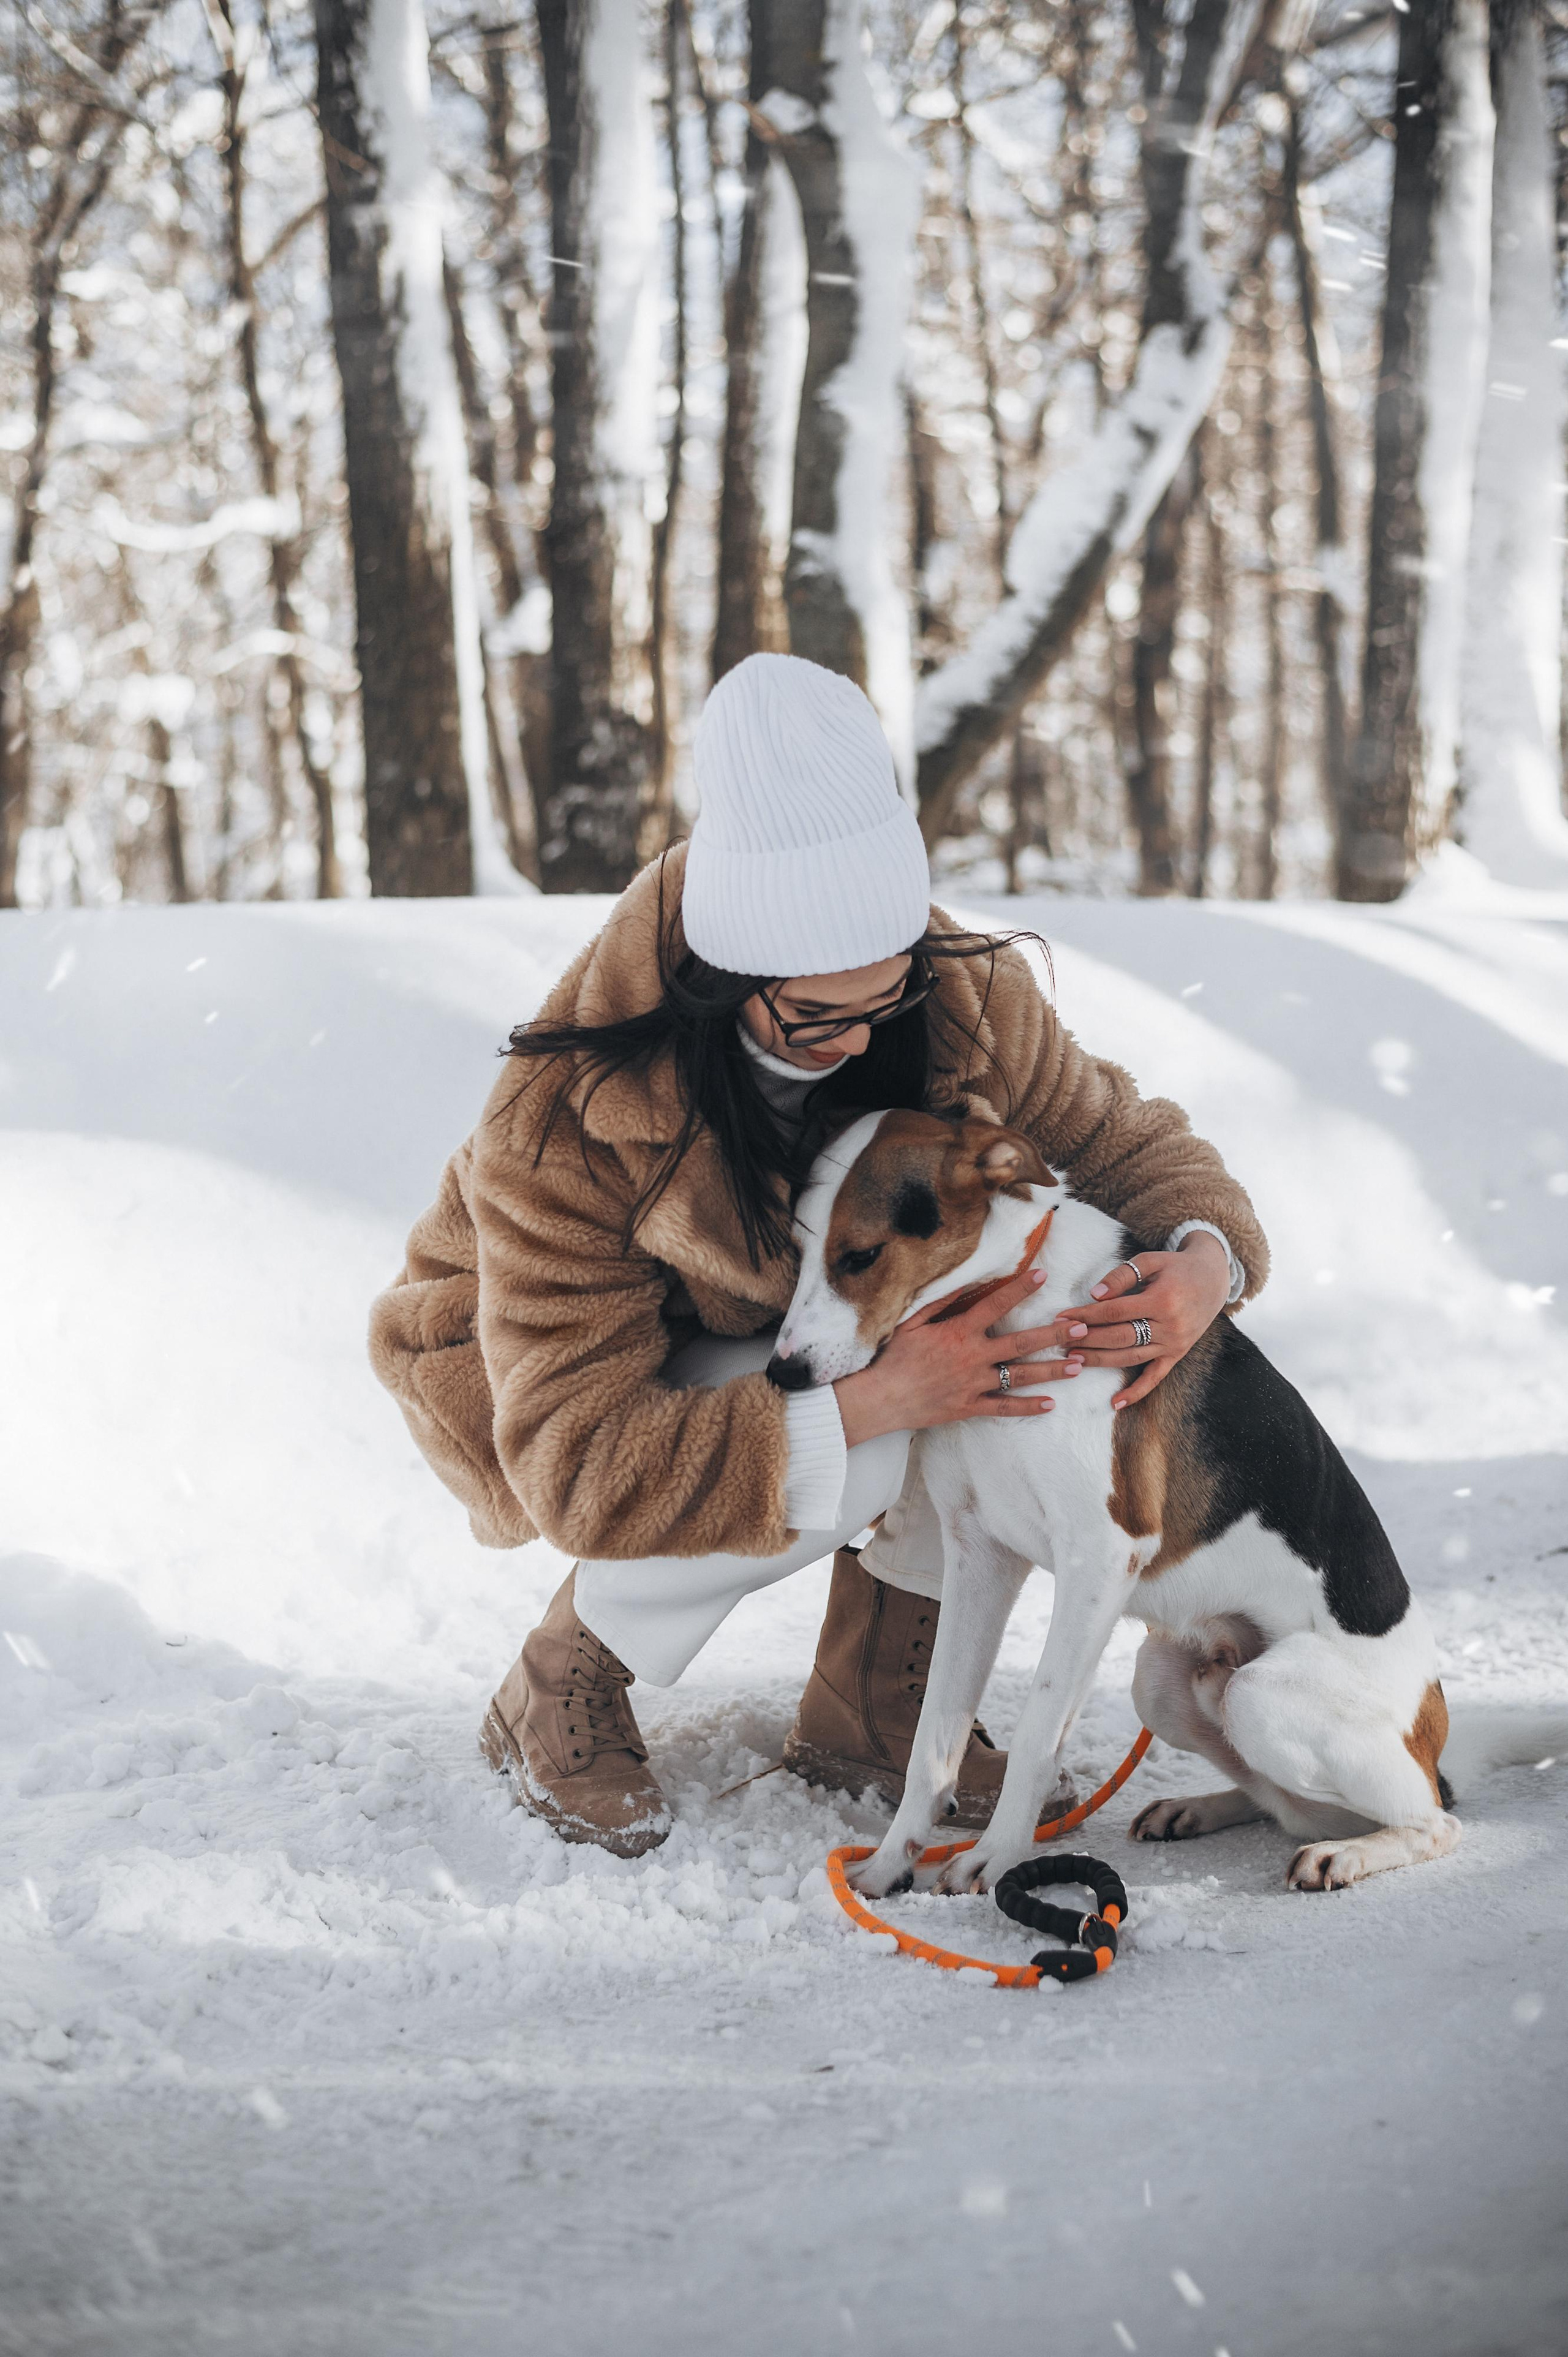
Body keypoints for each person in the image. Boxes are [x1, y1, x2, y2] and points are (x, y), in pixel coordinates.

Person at [369, 654, 1267, 1857]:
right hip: (539, 1382)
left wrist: (1202, 1259)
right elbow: (578, 1459)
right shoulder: (567, 1109)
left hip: (786, 1317)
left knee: (988, 1348)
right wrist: (875, 1396)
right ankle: (562, 1673)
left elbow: (1113, 1137)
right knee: (862, 1436)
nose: (853, 1043)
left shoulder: (945, 987)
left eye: (880, 1004)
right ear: (722, 977)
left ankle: (872, 1704)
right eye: (812, 1019)